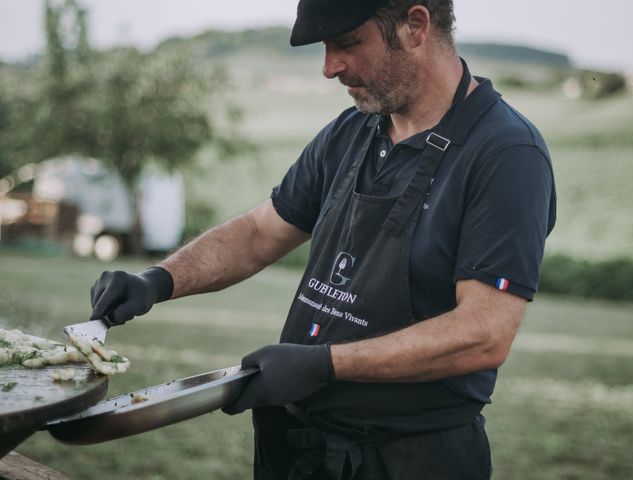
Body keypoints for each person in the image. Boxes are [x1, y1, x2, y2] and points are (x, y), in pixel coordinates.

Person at [90, 0, 556, 478]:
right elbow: (258, 233)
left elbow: (482, 335)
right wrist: (157, 281)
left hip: (408, 459)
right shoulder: (352, 132)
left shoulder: (506, 153)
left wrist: (324, 365)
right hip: (300, 447)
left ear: (415, 25)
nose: (330, 67)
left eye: (348, 43)